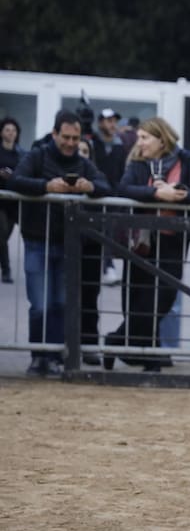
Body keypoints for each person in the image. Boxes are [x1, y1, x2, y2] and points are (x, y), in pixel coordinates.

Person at [102, 117, 190, 371]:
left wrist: (181, 195)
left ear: (161, 139)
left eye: (145, 138)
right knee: (139, 299)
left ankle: (114, 342)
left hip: (173, 240)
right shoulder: (138, 162)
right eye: (140, 137)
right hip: (141, 239)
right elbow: (123, 189)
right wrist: (155, 194)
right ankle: (150, 357)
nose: (139, 142)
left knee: (162, 299)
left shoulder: (189, 161)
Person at [9, 110, 112, 375]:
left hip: (68, 243)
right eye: (65, 137)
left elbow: (105, 185)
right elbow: (16, 181)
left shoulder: (82, 162)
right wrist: (47, 187)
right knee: (40, 304)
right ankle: (38, 356)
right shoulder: (37, 156)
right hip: (37, 240)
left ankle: (54, 355)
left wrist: (88, 186)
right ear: (54, 134)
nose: (70, 143)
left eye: (75, 138)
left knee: (61, 304)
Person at [0, 116, 24, 283]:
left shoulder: (21, 153)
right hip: (0, 200)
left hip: (14, 201)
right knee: (1, 234)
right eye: (8, 130)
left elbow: (24, 173)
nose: (11, 133)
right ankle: (6, 270)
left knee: (4, 236)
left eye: (14, 130)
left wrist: (13, 176)